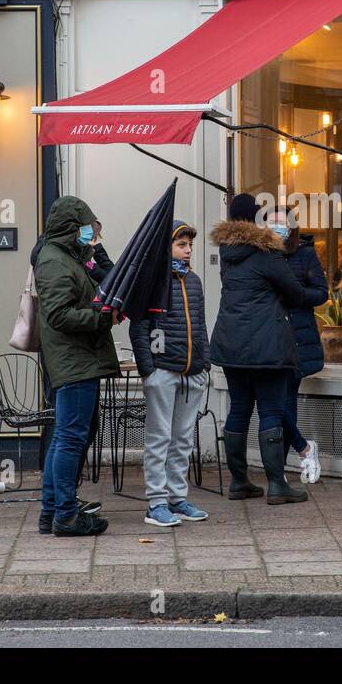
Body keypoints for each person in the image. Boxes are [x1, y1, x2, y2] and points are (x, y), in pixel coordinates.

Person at [210, 193, 308, 504]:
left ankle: (240, 482)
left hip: (231, 342)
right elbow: (295, 292)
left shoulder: (228, 253)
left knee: (239, 408)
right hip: (267, 344)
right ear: (256, 220)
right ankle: (277, 484)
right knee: (271, 409)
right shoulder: (268, 254)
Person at [33, 196, 119, 537]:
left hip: (75, 359)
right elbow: (58, 314)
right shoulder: (55, 262)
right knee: (70, 439)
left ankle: (52, 510)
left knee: (63, 439)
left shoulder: (63, 256)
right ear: (72, 227)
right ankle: (66, 515)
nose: (91, 234)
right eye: (87, 227)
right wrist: (102, 317)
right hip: (75, 361)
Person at [129, 220, 212, 527]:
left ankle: (177, 498)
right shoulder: (150, 282)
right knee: (159, 438)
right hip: (163, 371)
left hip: (191, 371)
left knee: (181, 440)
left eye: (190, 245)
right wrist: (148, 370)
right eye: (182, 245)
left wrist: (205, 362)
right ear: (166, 248)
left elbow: (200, 324)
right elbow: (138, 326)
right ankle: (156, 502)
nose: (189, 250)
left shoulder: (194, 281)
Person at [277, 208, 324, 484]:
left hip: (296, 336)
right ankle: (303, 448)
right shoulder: (262, 255)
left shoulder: (304, 254)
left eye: (282, 224)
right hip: (269, 335)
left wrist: (295, 294)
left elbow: (321, 293)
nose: (277, 229)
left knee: (285, 401)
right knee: (275, 402)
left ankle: (281, 467)